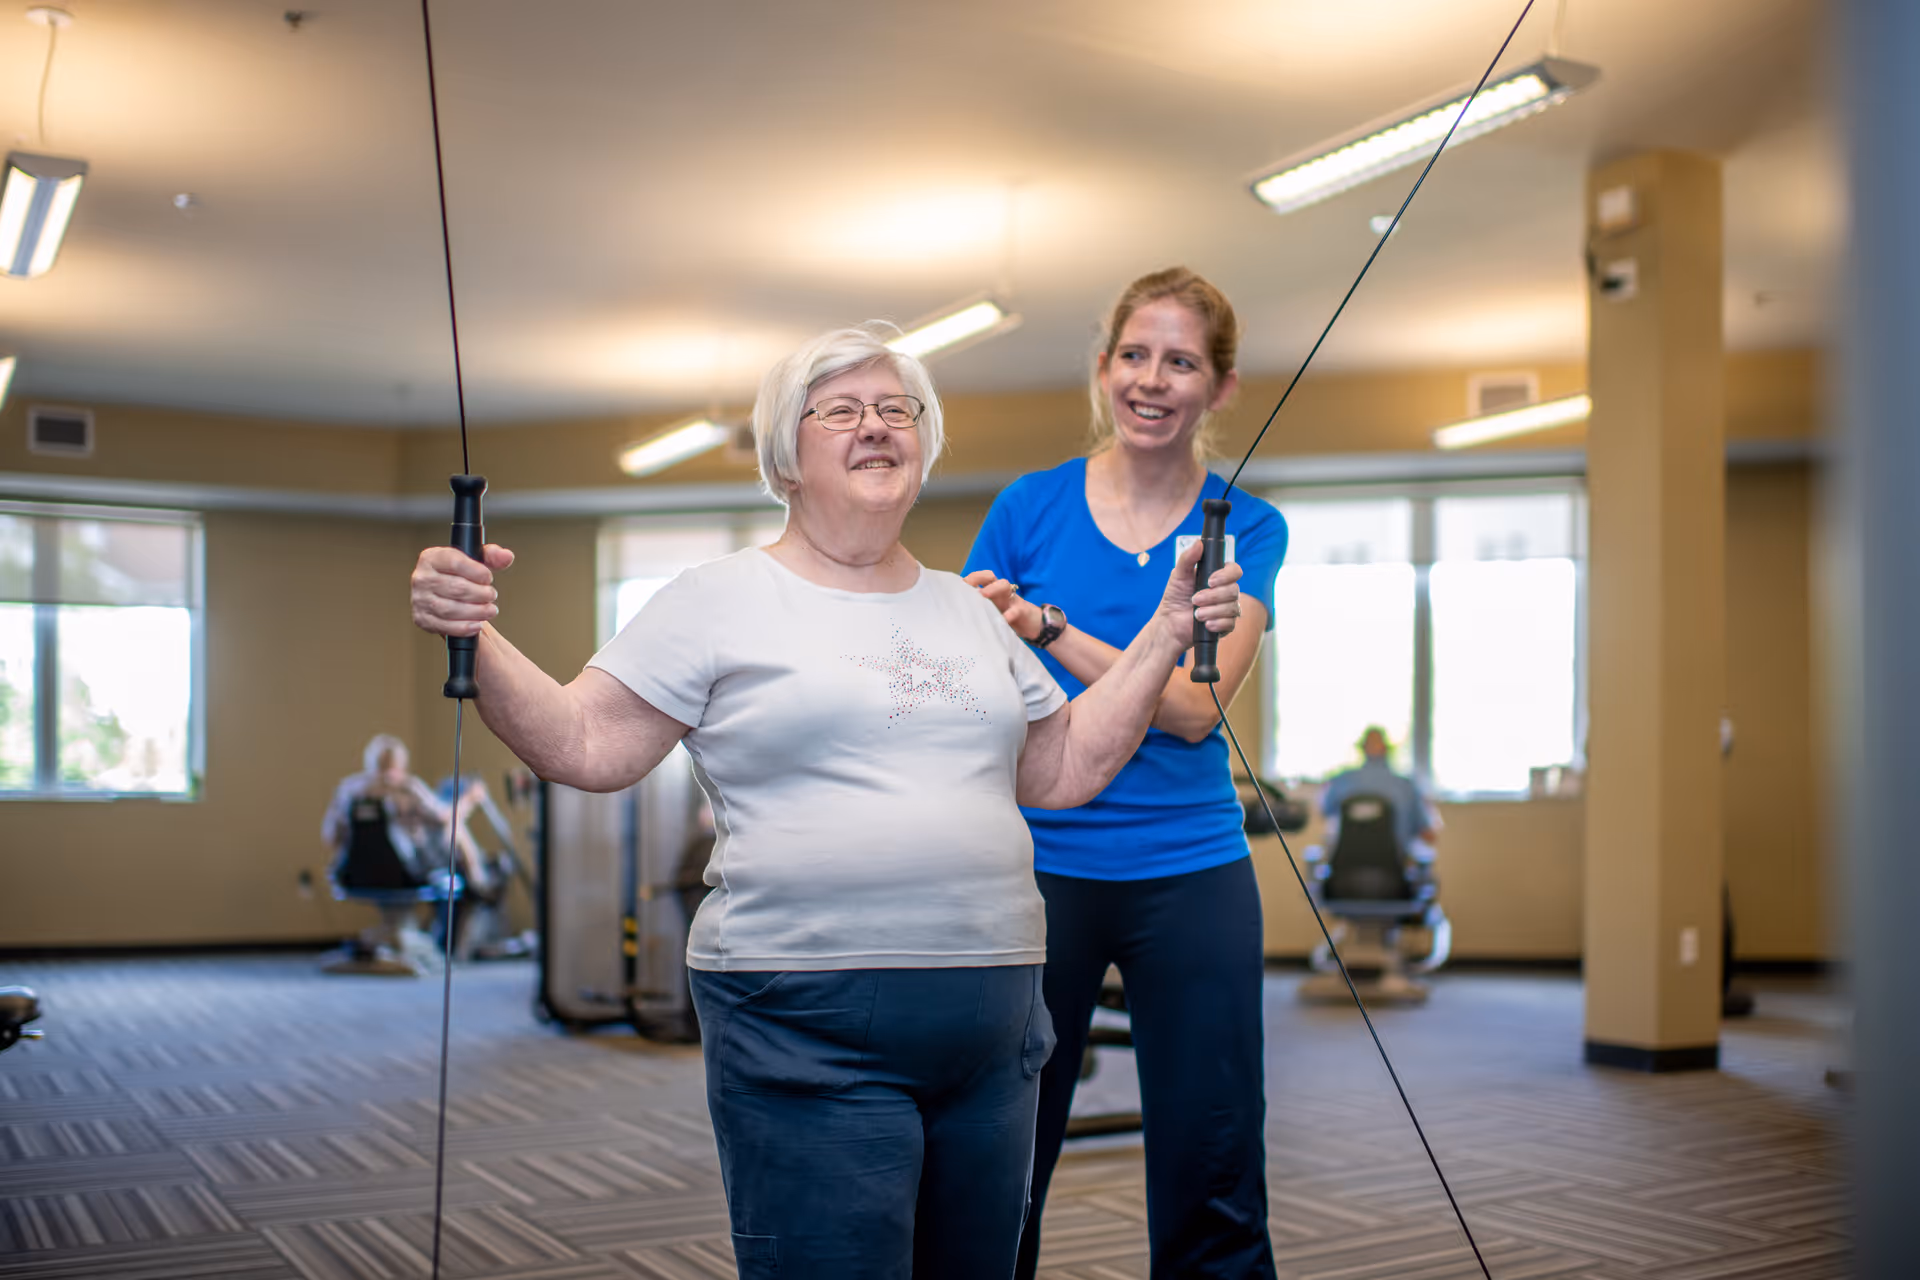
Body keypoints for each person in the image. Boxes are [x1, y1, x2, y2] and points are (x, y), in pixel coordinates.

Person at [408, 323, 1246, 1280]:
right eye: (841, 411)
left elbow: (1060, 769)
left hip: (994, 1020)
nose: (876, 428)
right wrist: (476, 632)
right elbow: (586, 743)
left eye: (899, 410)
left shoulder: (972, 609)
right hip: (804, 1014)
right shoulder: (716, 597)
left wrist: (1167, 629)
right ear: (785, 457)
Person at [964, 267, 1288, 1280]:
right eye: (1135, 355)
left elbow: (1194, 711)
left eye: (1181, 360)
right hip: (1040, 864)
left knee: (1213, 1150)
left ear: (1220, 386)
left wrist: (1051, 626)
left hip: (1191, 870)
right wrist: (1051, 635)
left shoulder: (1247, 527)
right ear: (1104, 369)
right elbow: (984, 681)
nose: (1153, 380)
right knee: (1004, 1148)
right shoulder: (1029, 507)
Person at [321, 733, 492, 893]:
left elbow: (330, 837)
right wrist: (470, 798)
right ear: (400, 764)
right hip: (405, 872)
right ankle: (480, 884)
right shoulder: (407, 788)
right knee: (456, 829)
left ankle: (478, 882)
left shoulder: (349, 791)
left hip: (355, 875)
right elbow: (446, 818)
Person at [1319, 726, 1440, 866]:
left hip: (1344, 876)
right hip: (1394, 876)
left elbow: (1324, 812)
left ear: (1362, 748)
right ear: (1387, 749)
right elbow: (1429, 835)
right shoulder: (1407, 786)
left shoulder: (1341, 781)